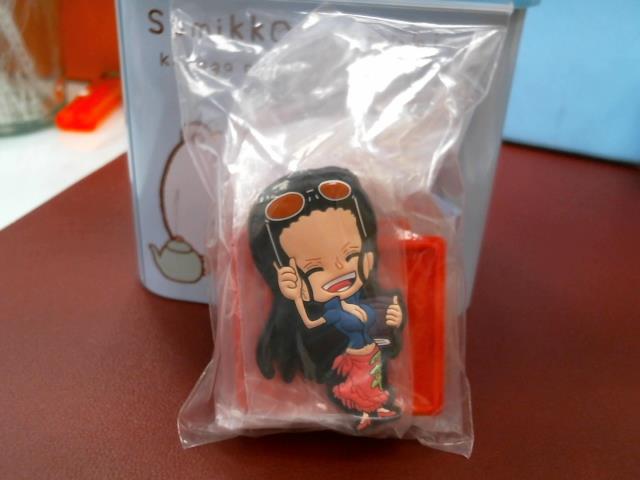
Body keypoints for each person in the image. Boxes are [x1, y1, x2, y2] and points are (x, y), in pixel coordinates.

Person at [249, 166, 404, 430]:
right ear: (288, 278)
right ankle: (366, 412)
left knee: (374, 383)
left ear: (367, 255)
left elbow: (385, 337)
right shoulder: (328, 313)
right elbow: (310, 324)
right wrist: (296, 299)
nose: (340, 268)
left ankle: (375, 408)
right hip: (352, 361)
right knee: (360, 389)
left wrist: (394, 320)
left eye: (350, 254)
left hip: (371, 356)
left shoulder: (366, 299)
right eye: (315, 268)